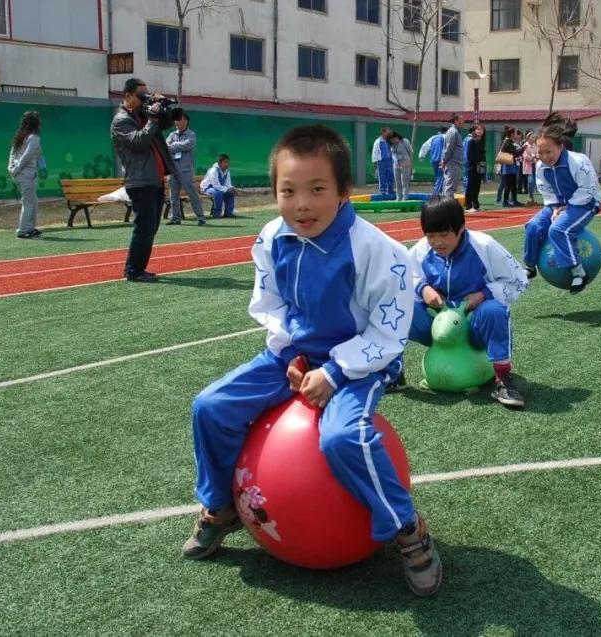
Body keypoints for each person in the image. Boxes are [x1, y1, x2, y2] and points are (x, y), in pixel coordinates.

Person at [182, 124, 442, 597]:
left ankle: (408, 529)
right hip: (293, 357)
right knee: (210, 407)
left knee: (343, 438)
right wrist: (294, 354)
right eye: (288, 191)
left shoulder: (378, 251)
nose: (301, 204)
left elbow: (389, 331)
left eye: (317, 189)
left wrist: (335, 370)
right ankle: (220, 508)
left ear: (344, 192)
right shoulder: (271, 237)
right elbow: (273, 302)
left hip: (359, 363)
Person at [407, 196, 528, 408]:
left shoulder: (484, 246)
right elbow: (403, 277)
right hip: (438, 327)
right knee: (397, 310)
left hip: (473, 325)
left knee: (494, 311)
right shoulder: (421, 250)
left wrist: (483, 294)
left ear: (461, 228)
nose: (437, 243)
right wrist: (423, 288)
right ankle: (392, 371)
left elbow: (518, 280)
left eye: (444, 235)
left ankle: (503, 379)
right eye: (430, 236)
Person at [522, 112, 601, 295]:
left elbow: (588, 189)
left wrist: (568, 206)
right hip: (558, 204)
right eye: (540, 152)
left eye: (548, 151)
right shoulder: (541, 166)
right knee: (533, 226)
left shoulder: (578, 161)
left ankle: (578, 272)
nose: (544, 156)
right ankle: (529, 266)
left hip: (585, 203)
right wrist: (556, 207)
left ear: (560, 146)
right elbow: (546, 190)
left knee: (558, 230)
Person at [111, 78, 179, 282]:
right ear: (128, 96)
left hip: (155, 179)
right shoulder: (121, 120)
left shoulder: (143, 114)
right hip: (139, 180)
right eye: (141, 96)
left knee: (152, 227)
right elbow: (139, 141)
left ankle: (139, 268)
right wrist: (152, 119)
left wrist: (162, 107)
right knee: (144, 226)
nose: (144, 99)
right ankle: (133, 271)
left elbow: (165, 124)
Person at [165, 109, 207, 225]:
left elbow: (187, 145)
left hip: (185, 170)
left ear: (186, 121)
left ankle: (201, 217)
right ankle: (175, 218)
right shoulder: (171, 135)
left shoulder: (191, 135)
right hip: (172, 170)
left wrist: (173, 146)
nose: (176, 122)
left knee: (192, 193)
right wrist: (176, 146)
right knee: (173, 195)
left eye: (179, 119)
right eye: (175, 120)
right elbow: (165, 147)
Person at [8, 111, 44, 239]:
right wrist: (15, 169)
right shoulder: (33, 138)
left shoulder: (21, 136)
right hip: (26, 175)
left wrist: (11, 168)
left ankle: (30, 228)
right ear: (35, 123)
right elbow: (26, 157)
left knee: (33, 201)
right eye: (39, 121)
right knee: (29, 202)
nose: (41, 123)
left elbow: (13, 154)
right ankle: (22, 230)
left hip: (22, 174)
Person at [440, 114, 465, 196]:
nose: (463, 122)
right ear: (456, 121)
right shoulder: (453, 132)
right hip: (452, 164)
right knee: (450, 188)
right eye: (461, 120)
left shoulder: (455, 132)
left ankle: (445, 206)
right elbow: (448, 149)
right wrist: (444, 161)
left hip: (454, 164)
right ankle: (448, 207)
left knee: (449, 187)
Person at [497, 127, 523, 207]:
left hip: (512, 167)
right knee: (508, 185)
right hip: (508, 167)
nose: (516, 134)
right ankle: (505, 201)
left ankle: (514, 200)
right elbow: (516, 153)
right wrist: (523, 149)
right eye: (515, 133)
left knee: (513, 185)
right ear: (512, 134)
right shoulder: (508, 142)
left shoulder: (511, 142)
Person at [464, 124, 487, 213]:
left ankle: (476, 204)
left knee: (477, 186)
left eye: (481, 129)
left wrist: (483, 166)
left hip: (480, 167)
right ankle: (468, 205)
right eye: (478, 129)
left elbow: (483, 155)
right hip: (472, 167)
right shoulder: (471, 141)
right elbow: (469, 155)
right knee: (470, 186)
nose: (480, 131)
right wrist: (474, 164)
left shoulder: (482, 142)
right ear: (474, 131)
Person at [419, 127, 447, 195]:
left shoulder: (433, 138)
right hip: (442, 160)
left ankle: (439, 193)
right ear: (446, 131)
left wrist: (421, 156)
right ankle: (436, 194)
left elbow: (424, 146)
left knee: (438, 177)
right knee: (441, 177)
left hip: (434, 160)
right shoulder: (446, 137)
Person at [371, 128, 396, 198]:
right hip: (381, 161)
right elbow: (375, 151)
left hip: (390, 161)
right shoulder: (378, 141)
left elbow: (392, 150)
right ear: (382, 132)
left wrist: (394, 159)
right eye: (386, 132)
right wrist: (375, 161)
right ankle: (383, 191)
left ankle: (390, 190)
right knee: (382, 176)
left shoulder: (388, 141)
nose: (387, 134)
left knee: (391, 176)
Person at [389, 131, 413, 201]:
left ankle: (405, 197)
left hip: (405, 164)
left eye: (393, 139)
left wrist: (410, 163)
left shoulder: (404, 141)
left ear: (396, 137)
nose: (392, 141)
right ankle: (398, 197)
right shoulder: (392, 145)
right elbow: (393, 154)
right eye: (391, 140)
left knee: (404, 181)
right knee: (397, 181)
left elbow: (410, 152)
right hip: (396, 164)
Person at [522, 131, 538, 205]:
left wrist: (536, 157)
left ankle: (532, 199)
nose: (533, 138)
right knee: (530, 182)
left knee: (534, 183)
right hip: (529, 166)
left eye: (533, 137)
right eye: (531, 137)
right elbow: (525, 156)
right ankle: (529, 198)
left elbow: (538, 153)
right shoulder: (525, 145)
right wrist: (532, 158)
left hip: (535, 166)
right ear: (528, 138)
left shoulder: (535, 145)